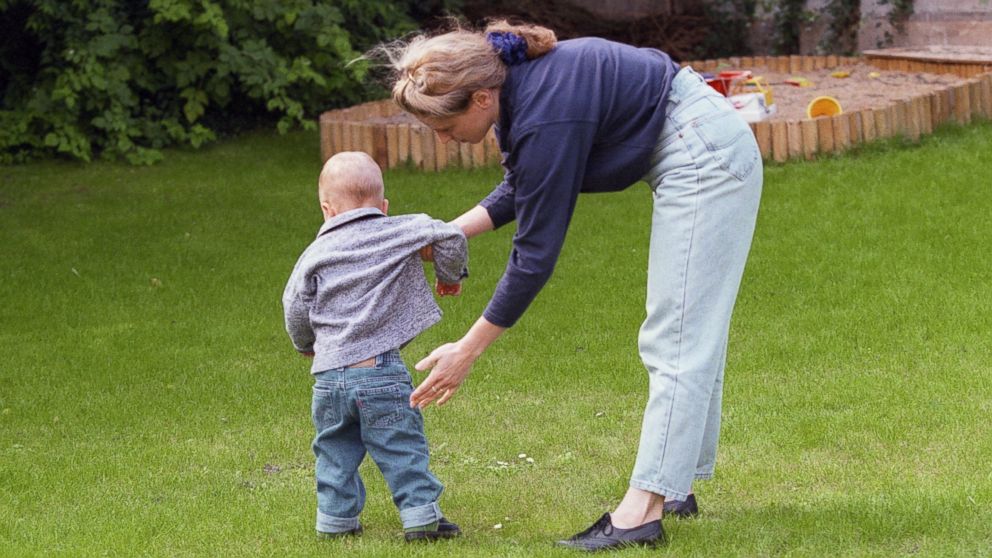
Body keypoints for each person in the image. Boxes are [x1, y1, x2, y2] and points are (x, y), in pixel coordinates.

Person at [380, 20, 762, 551]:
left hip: (703, 156)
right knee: (690, 332)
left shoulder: (545, 111)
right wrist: (448, 233)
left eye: (445, 127)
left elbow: (534, 257)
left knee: (676, 337)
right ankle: (675, 485)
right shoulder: (523, 89)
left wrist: (467, 350)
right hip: (696, 136)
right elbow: (525, 184)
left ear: (483, 97)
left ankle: (641, 514)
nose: (443, 140)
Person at [282, 151, 469, 541]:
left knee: (334, 450)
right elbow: (451, 235)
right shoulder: (401, 229)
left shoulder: (314, 253)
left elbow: (295, 304)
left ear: (326, 209)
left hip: (329, 377)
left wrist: (306, 345)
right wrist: (449, 276)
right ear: (384, 206)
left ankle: (335, 522)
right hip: (379, 370)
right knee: (400, 444)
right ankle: (421, 519)